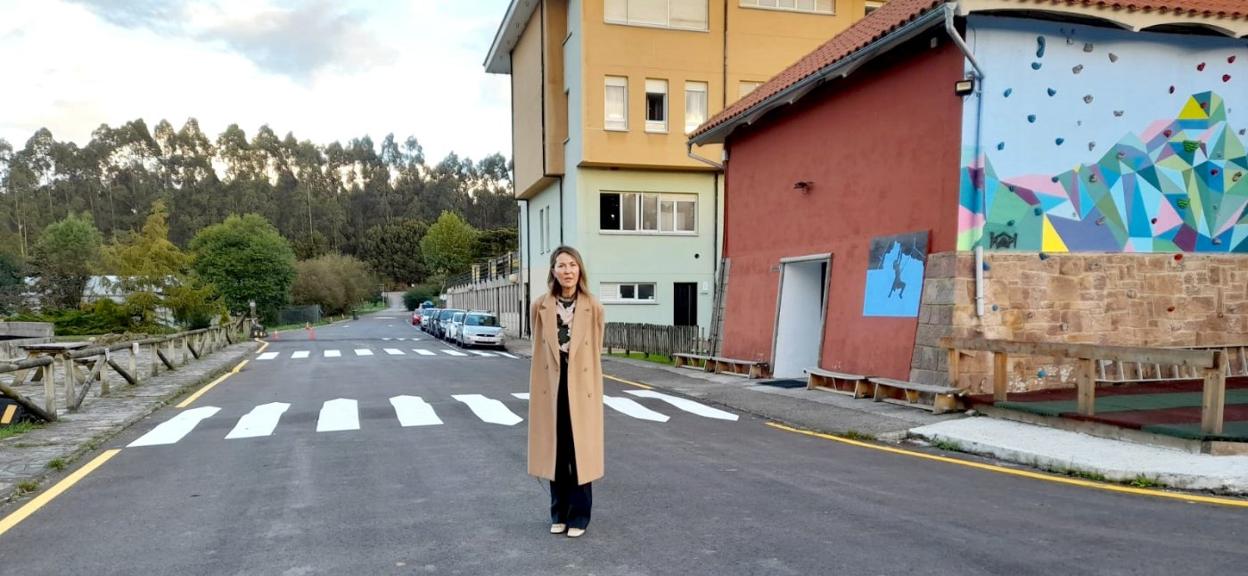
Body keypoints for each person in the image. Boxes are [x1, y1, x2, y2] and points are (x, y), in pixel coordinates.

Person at [528, 245, 605, 539]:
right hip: (552, 387)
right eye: (561, 265)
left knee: (579, 453)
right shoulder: (540, 306)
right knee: (555, 453)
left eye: (572, 265)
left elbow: (595, 351)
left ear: (579, 269)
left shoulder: (594, 306)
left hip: (581, 388)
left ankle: (580, 516)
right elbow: (538, 349)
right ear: (553, 271)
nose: (567, 271)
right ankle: (558, 513)